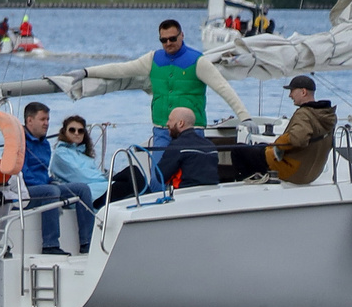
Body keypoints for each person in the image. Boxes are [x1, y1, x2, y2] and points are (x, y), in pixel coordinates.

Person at [82, 18, 248, 187]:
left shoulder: (198, 61)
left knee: (191, 179)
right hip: (162, 130)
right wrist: (86, 72)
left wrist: (245, 117)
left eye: (172, 39)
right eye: (163, 40)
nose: (168, 43)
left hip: (192, 131)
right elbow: (121, 69)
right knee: (157, 179)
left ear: (182, 36)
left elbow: (224, 88)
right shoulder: (153, 59)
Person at [17, 103, 95, 254]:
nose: (47, 123)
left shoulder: (44, 144)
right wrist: (47, 185)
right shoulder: (19, 143)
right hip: (24, 191)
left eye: (48, 119)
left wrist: (50, 181)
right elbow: (22, 174)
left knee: (82, 189)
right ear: (30, 120)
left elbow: (42, 171)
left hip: (44, 187)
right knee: (51, 191)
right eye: (43, 119)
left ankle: (87, 243)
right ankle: (50, 245)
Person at [263, 74, 336, 185]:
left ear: (303, 92)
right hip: (312, 173)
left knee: (242, 152)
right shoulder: (326, 115)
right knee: (260, 147)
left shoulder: (304, 114)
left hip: (294, 170)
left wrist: (279, 142)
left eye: (292, 91)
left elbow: (299, 138)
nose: (290, 95)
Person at [158, 107, 220, 189]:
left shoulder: (177, 146)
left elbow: (161, 175)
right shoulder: (210, 145)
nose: (167, 123)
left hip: (185, 191)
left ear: (180, 123)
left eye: (170, 120)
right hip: (212, 190)